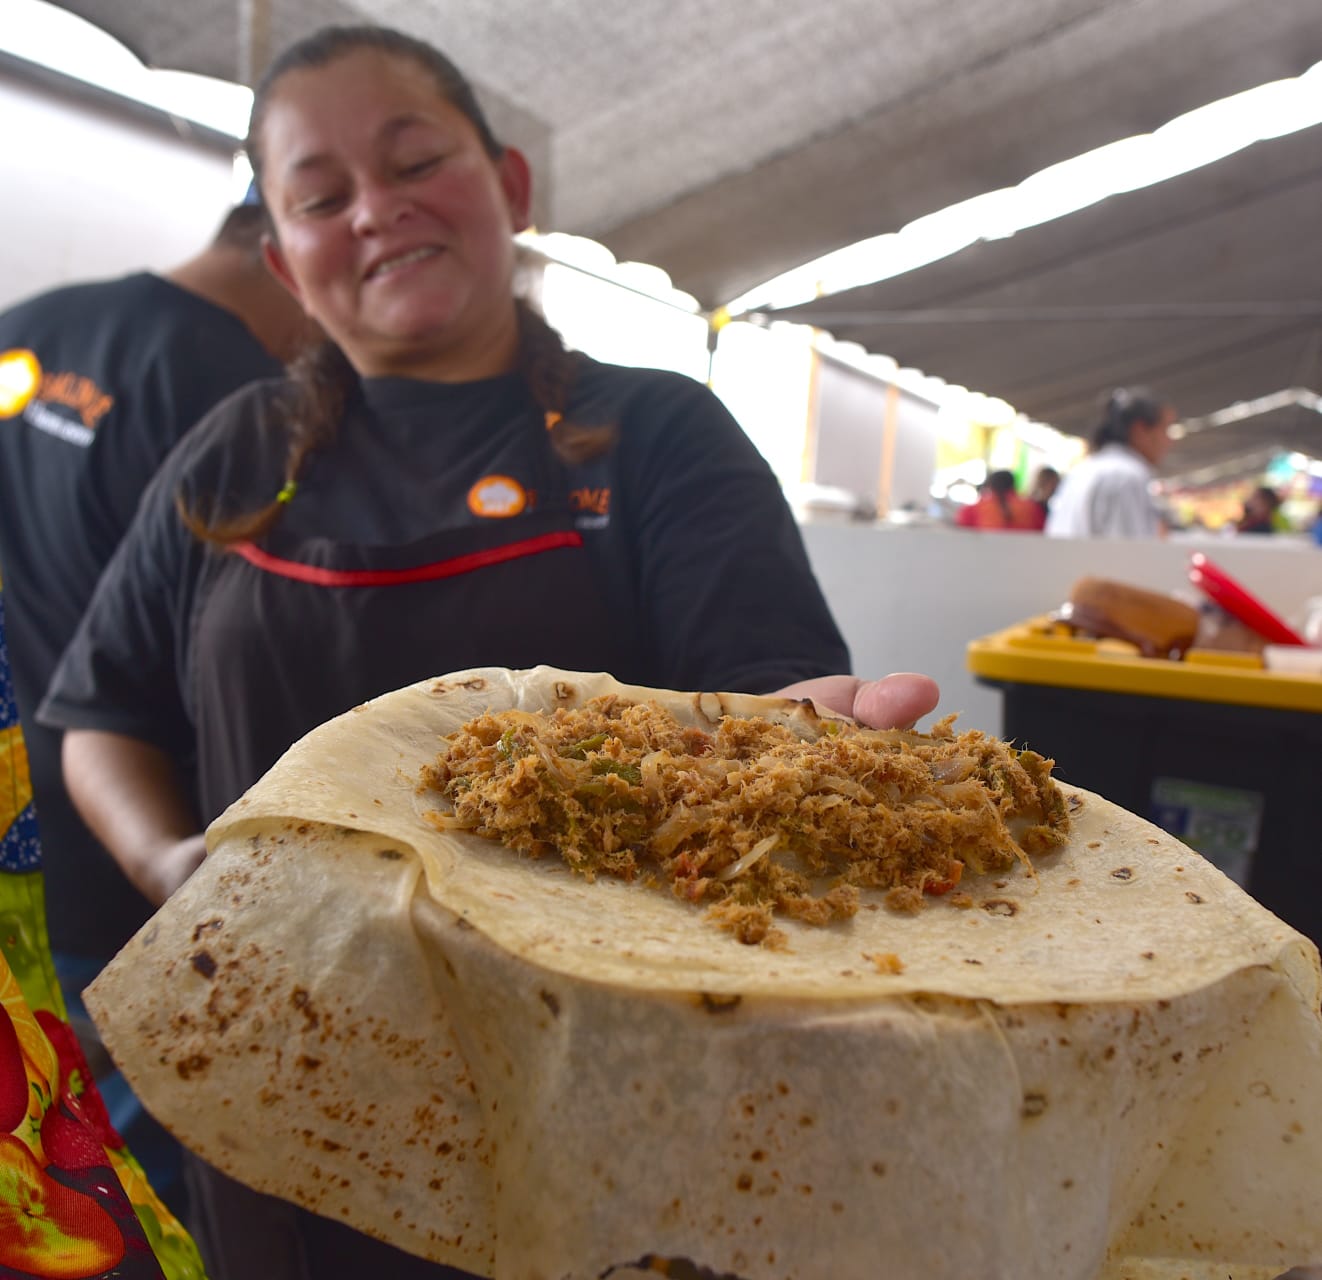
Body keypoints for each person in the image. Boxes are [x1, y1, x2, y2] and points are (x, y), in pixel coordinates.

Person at [36, 24, 940, 1280]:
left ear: (508, 187)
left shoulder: (654, 434)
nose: (377, 212)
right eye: (322, 196)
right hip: (284, 1065)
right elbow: (101, 711)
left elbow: (763, 712)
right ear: (288, 264)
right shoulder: (236, 451)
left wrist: (815, 748)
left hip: (585, 1076)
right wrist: (171, 863)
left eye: (414, 162)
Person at [0, 200, 310, 1214]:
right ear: (280, 258)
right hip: (130, 837)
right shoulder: (235, 397)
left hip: (22, 809)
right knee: (143, 1164)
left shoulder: (29, 328)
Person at [1045, 387, 1177, 538]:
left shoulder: (1083, 469)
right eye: (1165, 430)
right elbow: (1128, 552)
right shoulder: (1127, 476)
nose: (1169, 441)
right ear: (1140, 430)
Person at [957, 468, 1045, 531]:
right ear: (1013, 485)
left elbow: (961, 533)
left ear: (990, 485)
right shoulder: (1033, 508)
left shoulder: (973, 510)